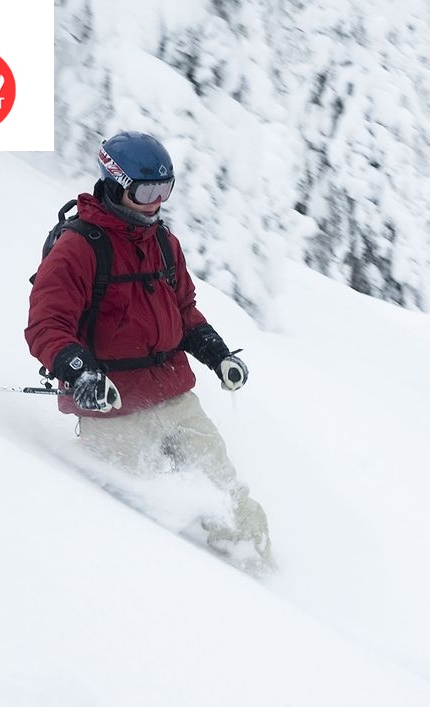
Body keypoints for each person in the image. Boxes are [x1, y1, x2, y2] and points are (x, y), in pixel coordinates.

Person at [26, 130, 274, 575]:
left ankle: (268, 584)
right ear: (118, 184)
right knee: (138, 519)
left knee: (230, 498)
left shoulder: (163, 244)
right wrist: (81, 373)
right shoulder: (79, 248)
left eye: (166, 188)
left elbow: (185, 313)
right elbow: (47, 326)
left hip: (175, 399)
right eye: (147, 190)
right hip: (114, 409)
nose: (158, 201)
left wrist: (219, 356)